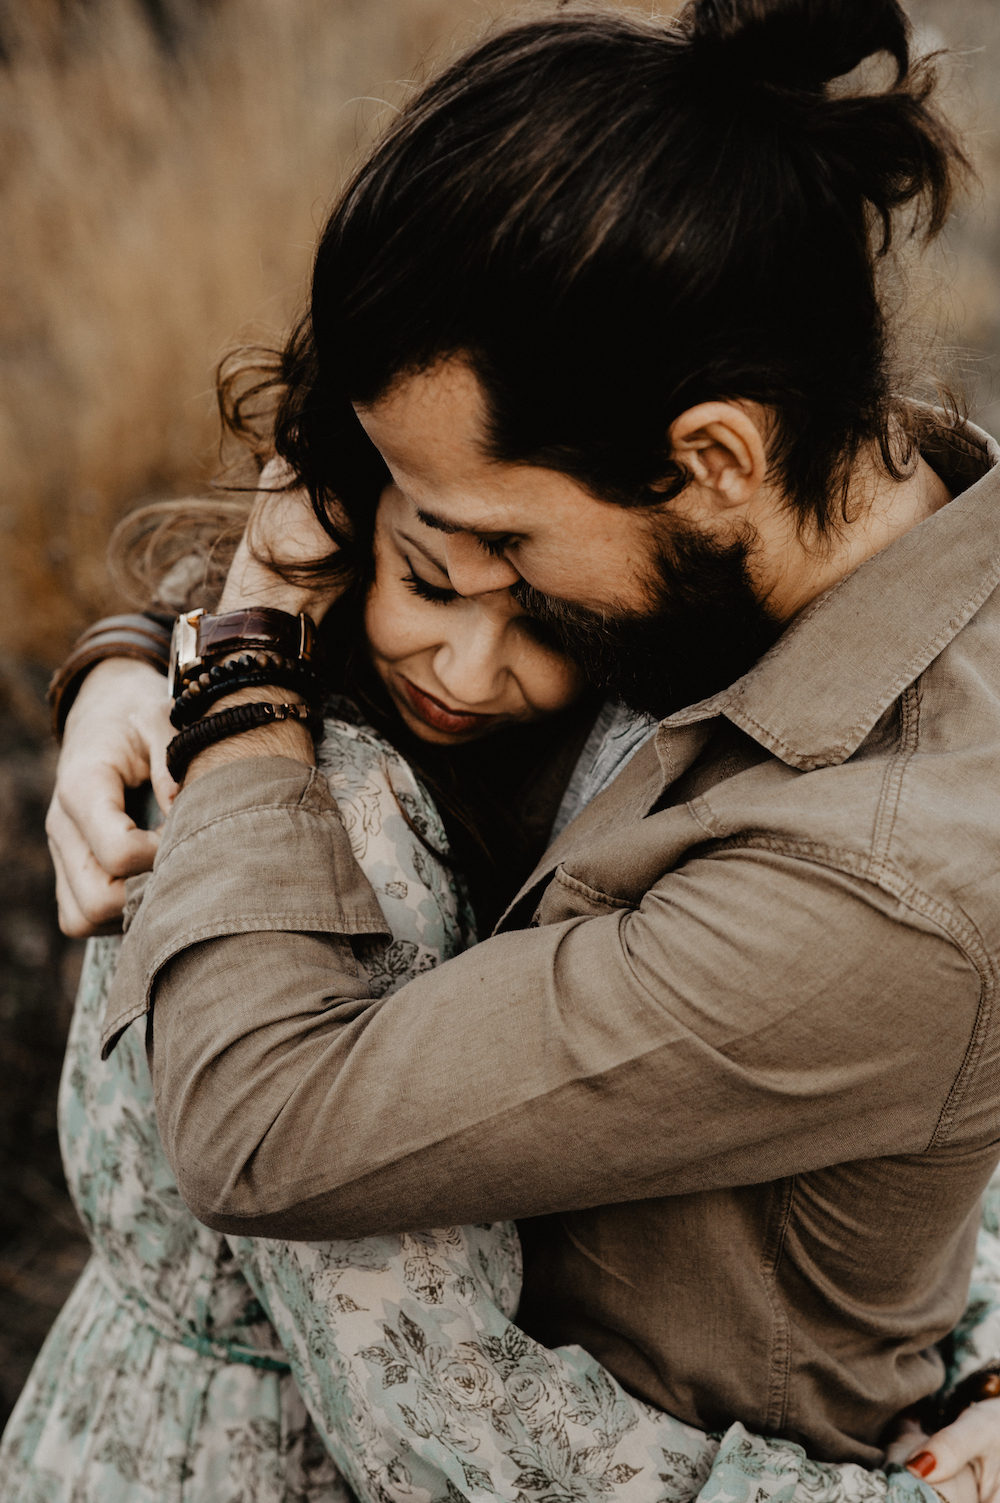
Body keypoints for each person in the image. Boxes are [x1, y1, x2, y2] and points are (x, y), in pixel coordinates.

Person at [40, 0, 1000, 1493]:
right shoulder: (824, 528)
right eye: (420, 543)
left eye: (506, 543)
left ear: (715, 460)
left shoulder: (878, 868)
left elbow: (272, 1130)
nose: (478, 615)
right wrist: (148, 645)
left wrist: (237, 669)